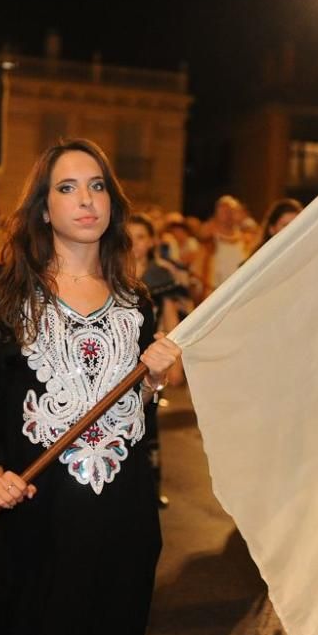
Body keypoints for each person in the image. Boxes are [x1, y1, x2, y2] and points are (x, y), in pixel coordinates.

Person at [0, 139, 181, 635]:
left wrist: (154, 380)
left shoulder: (137, 302)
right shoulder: (3, 294)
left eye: (97, 186)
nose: (86, 200)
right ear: (44, 207)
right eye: (68, 187)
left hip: (123, 510)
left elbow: (127, 413)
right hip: (36, 509)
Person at [128, 213, 186, 508]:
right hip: (125, 357)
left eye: (141, 237)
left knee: (147, 424)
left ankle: (149, 489)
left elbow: (171, 317)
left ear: (151, 241)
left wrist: (175, 362)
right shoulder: (112, 271)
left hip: (151, 356)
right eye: (130, 236)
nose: (136, 243)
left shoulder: (159, 276)